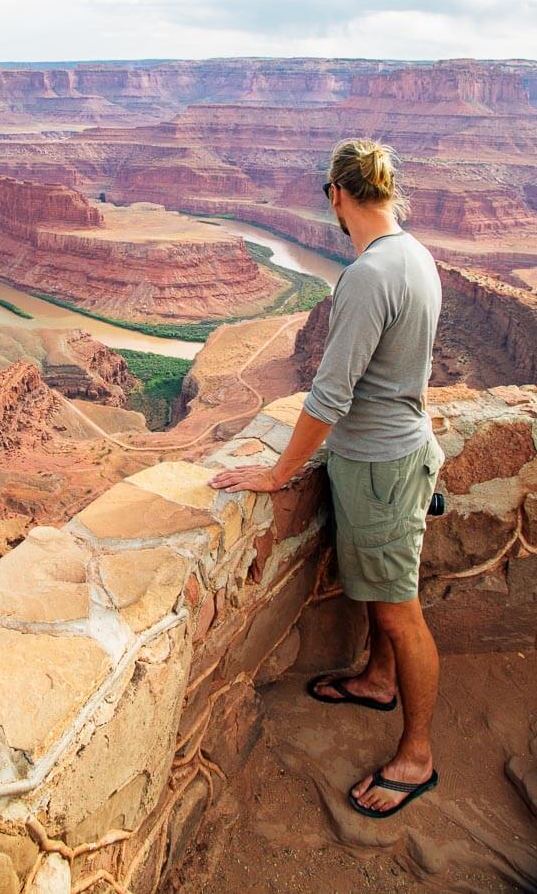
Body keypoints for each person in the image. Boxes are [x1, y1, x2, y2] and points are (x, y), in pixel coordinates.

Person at [209, 137, 445, 819]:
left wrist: (279, 472)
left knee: (401, 613)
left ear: (336, 196)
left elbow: (329, 395)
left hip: (382, 466)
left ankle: (418, 755)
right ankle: (377, 679)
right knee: (380, 591)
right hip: (388, 455)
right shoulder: (414, 254)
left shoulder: (370, 275)